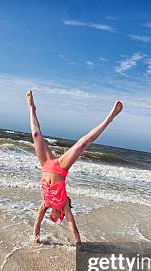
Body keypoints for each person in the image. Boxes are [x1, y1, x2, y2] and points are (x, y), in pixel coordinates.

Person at [27, 90, 123, 244]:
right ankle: (109, 118)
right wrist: (79, 245)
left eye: (52, 217)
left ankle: (31, 108)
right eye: (55, 219)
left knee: (36, 135)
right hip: (59, 168)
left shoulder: (45, 204)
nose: (53, 217)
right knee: (82, 143)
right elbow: (73, 227)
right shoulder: (65, 206)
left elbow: (37, 223)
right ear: (61, 216)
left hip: (46, 165)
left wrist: (35, 240)